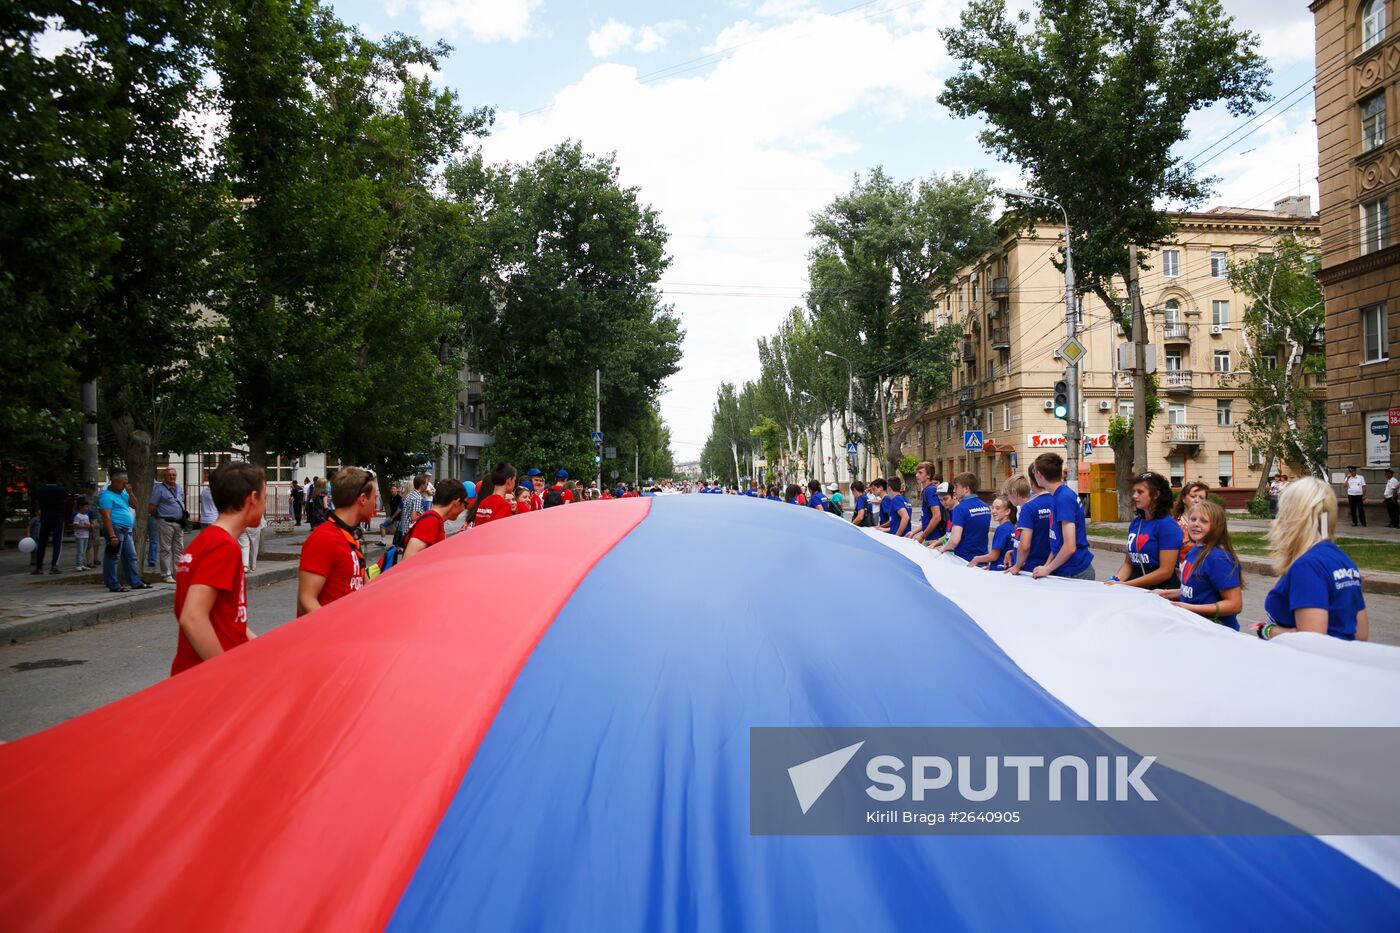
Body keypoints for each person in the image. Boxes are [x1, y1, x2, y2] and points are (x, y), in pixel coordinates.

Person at [171, 461, 265, 676]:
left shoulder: (206, 540)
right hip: (204, 680)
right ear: (252, 499)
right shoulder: (223, 546)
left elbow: (228, 618)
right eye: (264, 498)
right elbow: (192, 617)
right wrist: (224, 673)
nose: (264, 505)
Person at [1255, 476, 1368, 642]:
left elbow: (1311, 640)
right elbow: (1360, 633)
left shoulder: (1307, 566)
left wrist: (1268, 631)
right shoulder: (1342, 559)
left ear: (1291, 514)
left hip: (1310, 664)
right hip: (1342, 660)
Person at [297, 467, 377, 616]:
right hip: (331, 637)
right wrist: (337, 631)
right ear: (363, 499)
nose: (375, 505)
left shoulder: (348, 536)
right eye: (375, 498)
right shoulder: (324, 538)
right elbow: (306, 600)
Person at [1157, 500, 1244, 631]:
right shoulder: (1195, 550)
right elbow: (1198, 592)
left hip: (1216, 631)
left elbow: (1234, 605)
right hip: (1193, 626)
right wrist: (1166, 594)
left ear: (1217, 526)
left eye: (1204, 521)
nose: (1196, 524)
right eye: (1193, 519)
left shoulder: (1218, 559)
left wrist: (1189, 608)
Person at [1109, 471, 1183, 591]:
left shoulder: (1168, 526)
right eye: (1134, 491)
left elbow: (1166, 571)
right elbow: (1129, 563)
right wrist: (1115, 580)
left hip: (1161, 592)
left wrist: (1128, 584)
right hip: (1136, 589)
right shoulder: (1136, 523)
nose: (1134, 496)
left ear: (1156, 495)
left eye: (1140, 492)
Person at [1030, 452, 1095, 581]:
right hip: (1066, 570)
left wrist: (1047, 569)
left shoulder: (1063, 498)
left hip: (1075, 572)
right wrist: (1047, 566)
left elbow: (1070, 546)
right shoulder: (1058, 495)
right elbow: (1057, 542)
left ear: (1038, 475)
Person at [99, 471, 148, 593]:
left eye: (127, 483)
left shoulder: (124, 493)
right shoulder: (106, 496)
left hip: (126, 529)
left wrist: (130, 492)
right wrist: (112, 536)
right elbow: (106, 517)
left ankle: (135, 582)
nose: (126, 486)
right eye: (123, 483)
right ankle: (113, 584)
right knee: (113, 556)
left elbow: (135, 505)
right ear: (115, 483)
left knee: (131, 556)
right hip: (115, 528)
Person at [403, 479, 470, 560]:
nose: (464, 508)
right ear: (457, 502)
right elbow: (408, 558)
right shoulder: (431, 521)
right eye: (465, 504)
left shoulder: (434, 519)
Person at [1006, 473, 1052, 577]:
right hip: (1045, 562)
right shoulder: (1049, 501)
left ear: (1014, 492)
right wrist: (1012, 552)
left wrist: (1017, 566)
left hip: (1031, 567)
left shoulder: (1027, 509)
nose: (1008, 498)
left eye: (1008, 494)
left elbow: (1025, 546)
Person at [939, 473, 991, 561]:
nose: (954, 491)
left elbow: (955, 540)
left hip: (964, 559)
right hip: (982, 558)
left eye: (956, 487)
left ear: (966, 489)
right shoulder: (986, 506)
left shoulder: (960, 508)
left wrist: (943, 548)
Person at [149, 467, 187, 584]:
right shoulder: (159, 489)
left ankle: (178, 573)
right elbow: (152, 507)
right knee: (166, 549)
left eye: (174, 475)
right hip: (166, 522)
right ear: (164, 477)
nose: (172, 477)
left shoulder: (179, 488)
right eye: (169, 475)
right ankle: (166, 574)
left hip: (179, 523)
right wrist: (160, 517)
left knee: (179, 549)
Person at [32, 473, 66, 575]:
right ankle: (54, 566)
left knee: (42, 542)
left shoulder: (40, 490)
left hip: (45, 517)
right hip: (58, 517)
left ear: (46, 480)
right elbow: (64, 501)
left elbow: (37, 502)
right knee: (57, 543)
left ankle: (39, 567)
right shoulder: (61, 490)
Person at [970, 495, 1016, 569]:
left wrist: (977, 559)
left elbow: (994, 556)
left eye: (997, 508)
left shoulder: (1002, 529)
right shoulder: (1011, 527)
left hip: (999, 570)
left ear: (1007, 511)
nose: (993, 511)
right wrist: (989, 566)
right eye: (993, 508)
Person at [911, 462, 943, 547]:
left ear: (928, 475)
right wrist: (913, 532)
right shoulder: (927, 490)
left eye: (920, 473)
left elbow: (937, 516)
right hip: (931, 537)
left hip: (934, 539)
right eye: (917, 472)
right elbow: (928, 519)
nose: (917, 475)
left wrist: (922, 536)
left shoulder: (929, 491)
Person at [1172, 481, 1209, 548]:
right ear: (1183, 499)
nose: (1197, 500)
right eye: (1193, 496)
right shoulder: (1174, 523)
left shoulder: (1210, 523)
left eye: (1201, 498)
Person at [72, 497, 92, 571]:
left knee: (83, 550)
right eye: (85, 507)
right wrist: (84, 526)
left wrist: (90, 526)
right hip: (79, 536)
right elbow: (75, 526)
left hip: (86, 535)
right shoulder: (77, 516)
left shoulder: (86, 516)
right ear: (80, 507)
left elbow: (88, 524)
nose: (87, 508)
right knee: (80, 551)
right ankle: (78, 564)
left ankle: (82, 564)